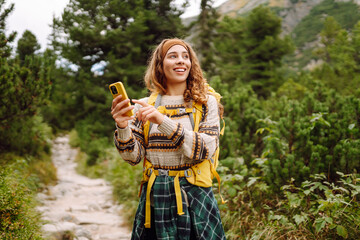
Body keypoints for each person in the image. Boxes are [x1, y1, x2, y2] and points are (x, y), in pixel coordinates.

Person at [110, 38, 226, 240]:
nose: (181, 61)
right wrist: (122, 126)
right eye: (173, 56)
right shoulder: (144, 105)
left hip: (195, 197)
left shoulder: (206, 103)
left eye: (185, 56)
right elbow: (132, 157)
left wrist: (162, 120)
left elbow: (204, 150)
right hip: (156, 197)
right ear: (160, 65)